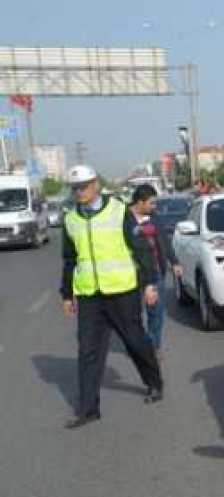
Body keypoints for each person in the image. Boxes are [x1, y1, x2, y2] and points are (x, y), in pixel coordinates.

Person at [60, 165, 164, 429]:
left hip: (122, 291)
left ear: (95, 184)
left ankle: (153, 382)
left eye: (83, 186)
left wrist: (150, 283)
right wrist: (66, 293)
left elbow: (140, 247)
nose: (79, 192)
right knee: (88, 351)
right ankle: (88, 409)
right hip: (89, 296)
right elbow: (69, 259)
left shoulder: (119, 211)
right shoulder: (71, 219)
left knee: (135, 341)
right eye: (75, 188)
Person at [129, 184, 183, 359]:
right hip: (131, 275)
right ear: (140, 202)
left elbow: (164, 242)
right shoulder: (124, 220)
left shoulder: (155, 218)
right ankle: (139, 344)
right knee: (133, 315)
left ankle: (153, 347)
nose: (154, 207)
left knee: (156, 313)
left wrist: (174, 262)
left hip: (155, 272)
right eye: (151, 203)